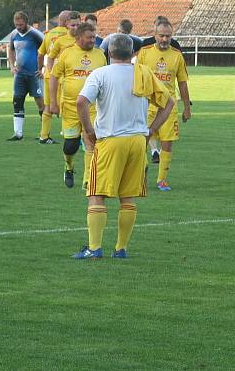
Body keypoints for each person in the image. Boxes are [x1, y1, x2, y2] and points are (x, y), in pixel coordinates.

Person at [72, 34, 174, 259]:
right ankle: (121, 249)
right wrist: (149, 129)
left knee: (96, 193)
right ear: (132, 53)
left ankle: (94, 248)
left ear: (108, 52)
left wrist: (89, 131)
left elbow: (81, 102)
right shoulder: (144, 73)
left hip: (111, 140)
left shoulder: (100, 74)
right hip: (138, 141)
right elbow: (169, 103)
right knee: (128, 197)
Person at [49, 22, 106, 188]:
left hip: (93, 107)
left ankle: (88, 180)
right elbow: (53, 77)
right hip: (70, 108)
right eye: (89, 37)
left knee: (92, 140)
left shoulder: (100, 55)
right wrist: (53, 102)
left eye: (94, 37)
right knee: (70, 145)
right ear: (79, 37)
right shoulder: (66, 54)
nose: (92, 40)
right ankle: (69, 166)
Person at [136, 20, 191, 191]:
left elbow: (182, 83)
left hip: (168, 107)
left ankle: (162, 179)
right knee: (140, 142)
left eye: (168, 36)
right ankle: (138, 178)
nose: (165, 39)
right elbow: (137, 78)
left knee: (167, 143)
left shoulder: (177, 55)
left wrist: (187, 108)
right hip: (146, 105)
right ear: (155, 35)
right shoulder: (144, 53)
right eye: (161, 35)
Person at [6, 11, 45, 141]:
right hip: (20, 75)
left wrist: (42, 68)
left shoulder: (35, 34)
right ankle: (18, 133)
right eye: (16, 24)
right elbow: (10, 50)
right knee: (17, 101)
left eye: (21, 24)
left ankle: (44, 133)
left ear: (26, 22)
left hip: (34, 74)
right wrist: (12, 66)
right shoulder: (13, 34)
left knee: (40, 103)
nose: (18, 27)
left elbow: (46, 50)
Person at [36, 10, 72, 144]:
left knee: (48, 105)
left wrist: (40, 68)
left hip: (49, 75)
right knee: (67, 105)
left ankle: (44, 136)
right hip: (64, 75)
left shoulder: (49, 34)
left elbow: (40, 54)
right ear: (67, 20)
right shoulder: (70, 35)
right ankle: (68, 134)